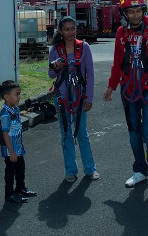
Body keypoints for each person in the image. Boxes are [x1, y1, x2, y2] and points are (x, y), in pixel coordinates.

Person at [103, 0, 148, 192]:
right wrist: (111, 86)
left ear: (144, 11)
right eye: (130, 12)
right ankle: (140, 170)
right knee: (134, 133)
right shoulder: (121, 34)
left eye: (138, 11)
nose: (135, 16)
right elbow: (117, 63)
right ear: (124, 14)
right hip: (129, 90)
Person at [48, 16, 100, 183]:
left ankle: (90, 169)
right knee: (66, 134)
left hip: (80, 97)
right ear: (61, 31)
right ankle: (70, 170)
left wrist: (89, 98)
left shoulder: (84, 47)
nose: (70, 32)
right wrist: (56, 68)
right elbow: (50, 74)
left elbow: (90, 74)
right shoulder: (55, 50)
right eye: (67, 29)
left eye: (73, 28)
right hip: (62, 97)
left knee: (82, 133)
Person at [0, 80, 37, 203]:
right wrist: (11, 151)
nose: (19, 97)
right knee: (10, 171)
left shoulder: (14, 109)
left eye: (20, 93)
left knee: (20, 168)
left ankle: (20, 188)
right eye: (17, 94)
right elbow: (4, 133)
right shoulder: (5, 114)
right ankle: (9, 194)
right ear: (6, 97)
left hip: (17, 147)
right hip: (11, 149)